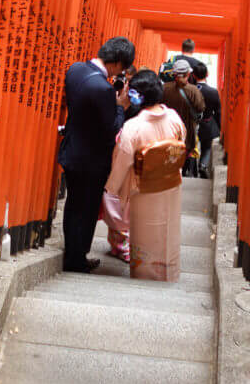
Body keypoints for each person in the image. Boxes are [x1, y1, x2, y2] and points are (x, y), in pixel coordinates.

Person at [59, 36, 135, 273]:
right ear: (118, 62)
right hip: (91, 160)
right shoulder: (102, 88)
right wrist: (121, 107)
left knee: (73, 206)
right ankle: (77, 259)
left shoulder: (75, 70)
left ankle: (72, 253)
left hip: (71, 151)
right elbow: (112, 129)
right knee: (87, 210)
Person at [106, 70, 186, 281]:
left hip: (140, 185)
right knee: (164, 229)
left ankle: (143, 271)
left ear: (139, 96)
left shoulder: (133, 127)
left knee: (140, 230)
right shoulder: (174, 118)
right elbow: (180, 145)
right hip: (168, 183)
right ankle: (165, 269)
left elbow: (123, 159)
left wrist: (112, 188)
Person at [100, 64, 140, 263]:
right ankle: (117, 244)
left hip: (127, 156)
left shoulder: (137, 105)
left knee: (123, 204)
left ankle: (122, 245)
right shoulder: (118, 97)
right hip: (116, 153)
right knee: (117, 203)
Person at [162, 60, 205, 177]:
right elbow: (201, 108)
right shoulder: (194, 91)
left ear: (174, 74)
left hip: (167, 130)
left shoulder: (164, 88)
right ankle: (180, 173)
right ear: (188, 74)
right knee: (184, 152)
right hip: (187, 130)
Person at [194, 60, 222, 178]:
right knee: (206, 148)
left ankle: (188, 169)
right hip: (207, 123)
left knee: (190, 146)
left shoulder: (190, 89)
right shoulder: (213, 92)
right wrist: (218, 126)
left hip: (191, 123)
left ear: (193, 75)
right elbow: (218, 111)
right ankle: (203, 164)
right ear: (207, 74)